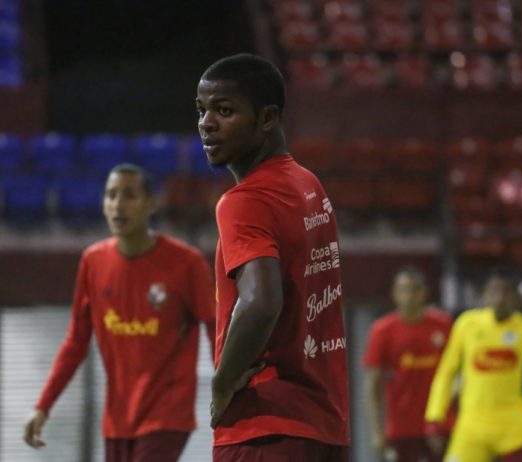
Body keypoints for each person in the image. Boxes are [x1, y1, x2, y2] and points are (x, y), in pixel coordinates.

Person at [195, 53, 350, 461]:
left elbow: (261, 302)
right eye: (202, 110)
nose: (207, 123)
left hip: (263, 428)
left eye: (224, 110)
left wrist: (222, 384)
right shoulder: (308, 185)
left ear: (267, 118)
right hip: (325, 429)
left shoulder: (244, 200)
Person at [23, 163, 216, 462]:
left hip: (167, 415)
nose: (118, 204)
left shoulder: (186, 264)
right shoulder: (93, 262)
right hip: (118, 419)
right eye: (111, 195)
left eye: (129, 195)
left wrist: (230, 391)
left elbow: (216, 327)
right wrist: (43, 405)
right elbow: (75, 342)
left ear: (151, 204)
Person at [425, 270, 522, 462]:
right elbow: (447, 372)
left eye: (506, 292)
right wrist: (435, 416)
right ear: (485, 294)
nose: (500, 298)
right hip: (472, 424)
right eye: (495, 291)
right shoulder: (467, 324)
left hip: (513, 426)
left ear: (516, 298)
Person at [362, 266, 453, 462]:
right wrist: (377, 431)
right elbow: (373, 384)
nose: (410, 295)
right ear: (394, 293)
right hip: (400, 427)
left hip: (439, 425)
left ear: (425, 292)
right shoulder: (382, 330)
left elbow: (456, 375)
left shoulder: (443, 325)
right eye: (404, 289)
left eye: (415, 289)